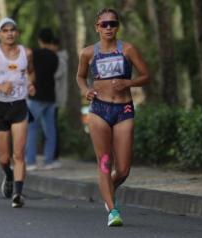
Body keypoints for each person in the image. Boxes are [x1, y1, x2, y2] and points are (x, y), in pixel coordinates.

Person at [76, 8, 150, 226]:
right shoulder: (88, 53)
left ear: (118, 26)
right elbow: (80, 77)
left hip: (123, 109)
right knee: (105, 163)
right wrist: (85, 90)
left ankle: (108, 190)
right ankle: (113, 210)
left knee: (124, 168)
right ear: (96, 27)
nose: (109, 28)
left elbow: (146, 76)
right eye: (104, 24)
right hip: (99, 110)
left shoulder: (127, 49)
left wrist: (129, 83)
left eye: (113, 24)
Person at [0, 17, 35, 208]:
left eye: (12, 29)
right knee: (4, 158)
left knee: (19, 154)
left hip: (19, 105)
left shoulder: (26, 53)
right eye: (5, 30)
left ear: (17, 32)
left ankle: (18, 194)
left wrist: (31, 84)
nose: (9, 33)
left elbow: (31, 73)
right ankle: (9, 175)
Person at [25, 28, 59, 171]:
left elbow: (28, 68)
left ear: (40, 40)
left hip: (36, 96)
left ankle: (31, 162)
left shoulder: (35, 54)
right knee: (50, 131)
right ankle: (49, 161)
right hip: (50, 96)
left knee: (32, 129)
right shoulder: (54, 56)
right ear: (51, 40)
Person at [51, 37, 69, 161]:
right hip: (52, 97)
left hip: (55, 97)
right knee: (52, 125)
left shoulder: (60, 60)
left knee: (52, 126)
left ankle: (54, 153)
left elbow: (55, 76)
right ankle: (53, 153)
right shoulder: (58, 58)